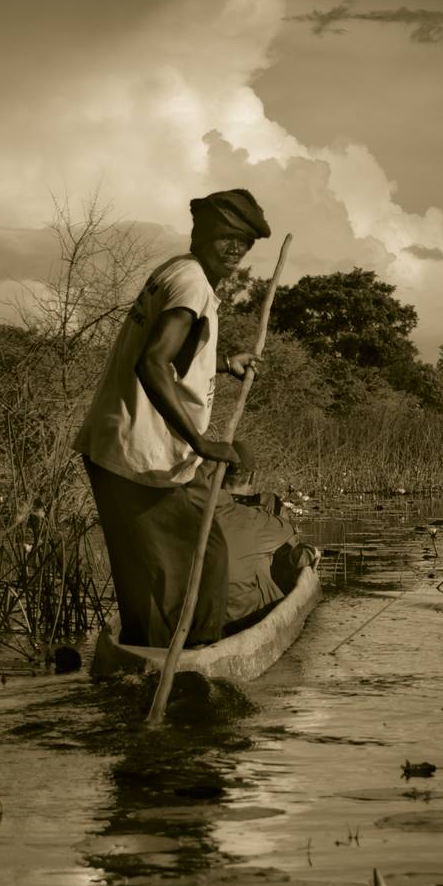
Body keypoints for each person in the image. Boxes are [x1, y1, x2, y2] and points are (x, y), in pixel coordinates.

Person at [74, 189, 270, 648]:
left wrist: (222, 363)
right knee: (206, 559)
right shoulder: (192, 283)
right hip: (144, 454)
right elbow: (152, 363)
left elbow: (175, 355)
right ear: (202, 233)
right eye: (228, 237)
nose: (236, 249)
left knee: (149, 572)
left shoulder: (175, 271)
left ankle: (146, 660)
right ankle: (195, 664)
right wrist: (201, 443)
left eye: (245, 242)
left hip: (117, 446)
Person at [214, 441, 319, 634]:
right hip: (239, 618)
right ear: (252, 476)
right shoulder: (254, 518)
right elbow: (289, 535)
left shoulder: (187, 508)